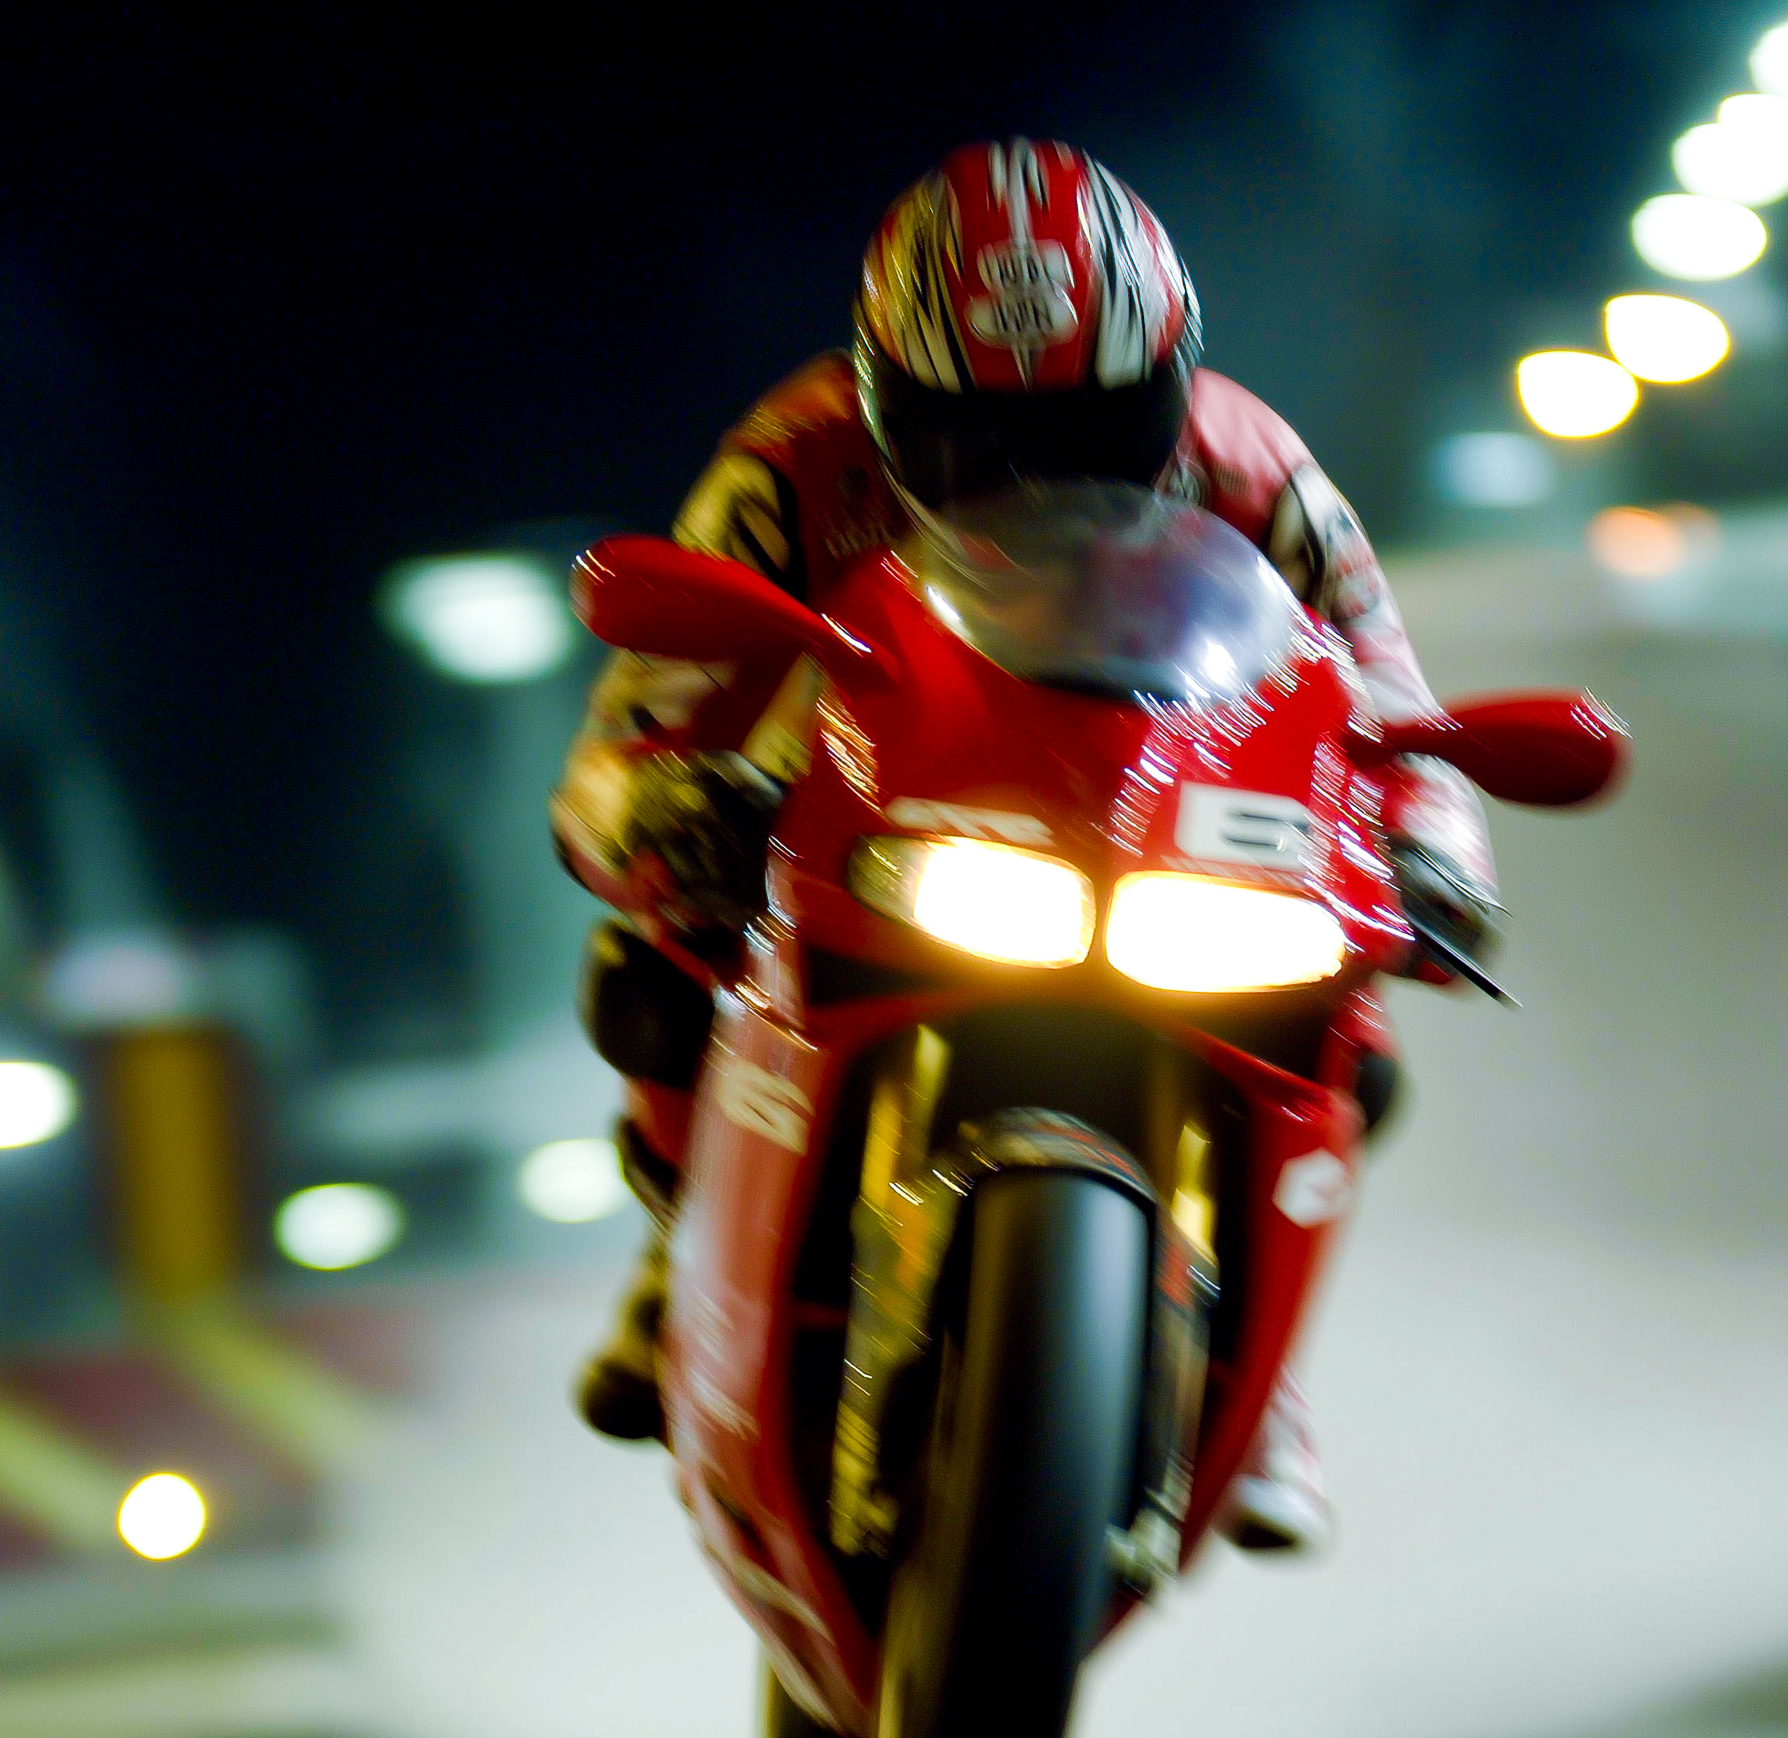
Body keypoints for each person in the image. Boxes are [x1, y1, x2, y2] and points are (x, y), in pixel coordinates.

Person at [551, 139, 1498, 1554]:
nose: (1036, 483)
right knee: (651, 975)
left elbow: (1387, 689)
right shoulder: (793, 457)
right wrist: (652, 808)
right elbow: (639, 714)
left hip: (1173, 822)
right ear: (882, 394)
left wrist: (1438, 854)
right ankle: (674, 1242)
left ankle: (1263, 1373)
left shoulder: (1254, 464)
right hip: (883, 808)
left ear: (1170, 380)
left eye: (1094, 430)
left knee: (1356, 1052)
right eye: (975, 440)